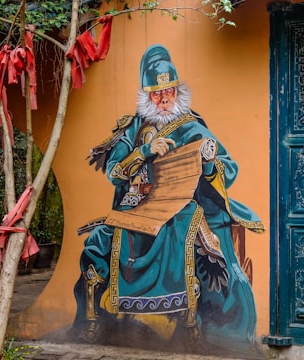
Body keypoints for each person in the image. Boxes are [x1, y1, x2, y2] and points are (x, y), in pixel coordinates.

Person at [72, 44, 264, 356]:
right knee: (98, 243)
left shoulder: (192, 126)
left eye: (169, 92)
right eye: (156, 94)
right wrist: (144, 152)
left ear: (177, 91)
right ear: (146, 94)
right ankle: (94, 317)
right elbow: (114, 173)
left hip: (181, 205)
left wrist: (207, 162)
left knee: (197, 240)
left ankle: (191, 324)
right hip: (135, 207)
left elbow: (229, 169)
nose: (163, 100)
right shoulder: (132, 127)